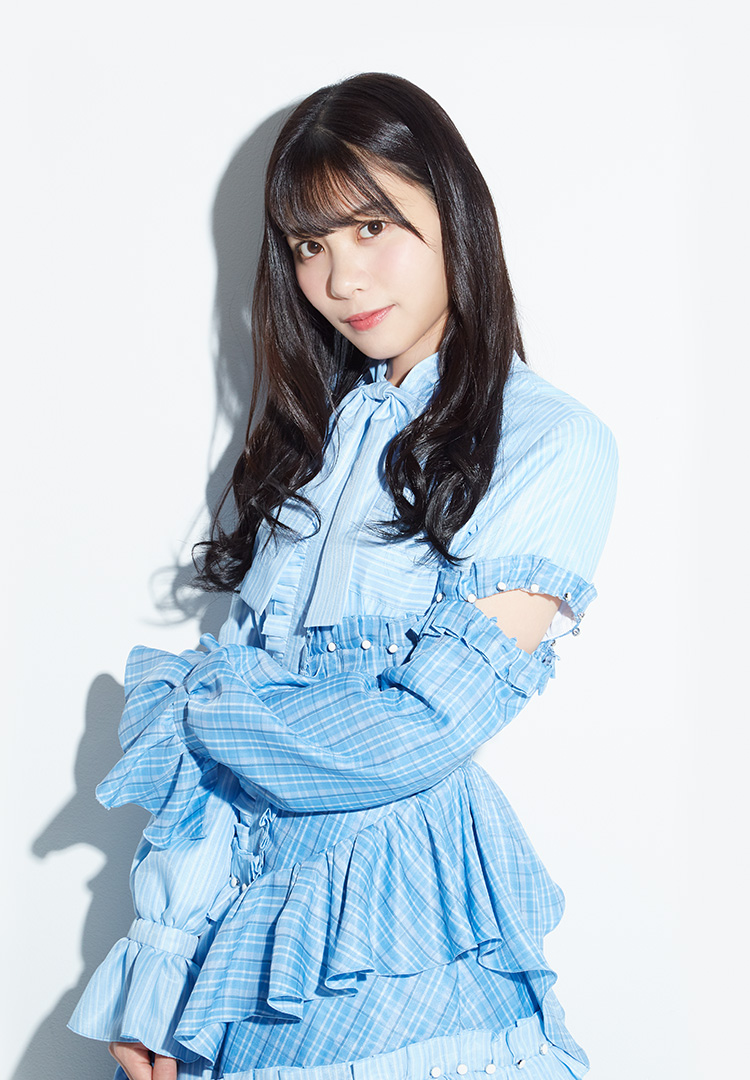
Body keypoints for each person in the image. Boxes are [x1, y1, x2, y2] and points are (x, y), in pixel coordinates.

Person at [68, 72, 618, 1080]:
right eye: (308, 245)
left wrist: (207, 709)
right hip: (250, 949)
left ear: (454, 216)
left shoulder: (550, 442)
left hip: (406, 945)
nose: (341, 278)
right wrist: (161, 962)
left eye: (372, 227)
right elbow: (223, 772)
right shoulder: (315, 447)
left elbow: (420, 732)